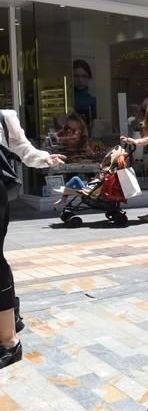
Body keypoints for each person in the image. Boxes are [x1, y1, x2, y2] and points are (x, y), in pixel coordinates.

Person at [0, 110, 67, 369]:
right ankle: (10, 313)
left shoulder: (4, 117)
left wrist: (44, 158)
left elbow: (22, 148)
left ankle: (9, 342)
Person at [72, 59, 97, 124]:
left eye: (84, 76)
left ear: (89, 77)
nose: (80, 80)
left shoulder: (92, 101)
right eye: (76, 76)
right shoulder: (67, 99)